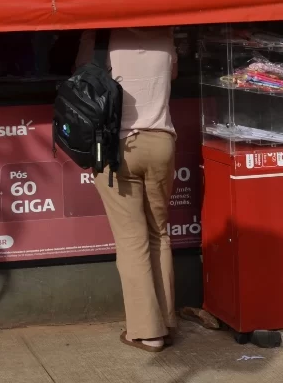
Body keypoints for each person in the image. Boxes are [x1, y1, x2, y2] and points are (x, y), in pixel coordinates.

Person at [77, 26, 178, 353]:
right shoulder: (165, 34)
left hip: (116, 147)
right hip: (161, 141)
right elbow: (172, 74)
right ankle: (166, 321)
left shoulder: (100, 38)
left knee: (132, 240)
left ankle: (148, 332)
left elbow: (81, 77)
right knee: (159, 233)